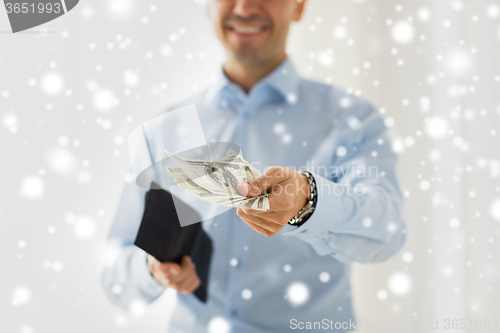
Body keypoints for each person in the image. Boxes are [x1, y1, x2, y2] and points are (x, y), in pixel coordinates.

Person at [101, 0, 407, 332]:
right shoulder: (165, 130)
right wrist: (152, 268)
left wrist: (310, 200)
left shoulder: (351, 120)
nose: (245, 7)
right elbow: (116, 276)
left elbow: (386, 231)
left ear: (300, 6)